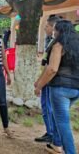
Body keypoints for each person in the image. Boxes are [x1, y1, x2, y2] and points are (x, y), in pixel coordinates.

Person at [35, 20, 79, 154]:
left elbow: (52, 69)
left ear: (59, 31)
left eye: (55, 29)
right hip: (76, 89)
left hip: (60, 89)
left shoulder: (59, 45)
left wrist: (39, 86)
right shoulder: (76, 46)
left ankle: (69, 151)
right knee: (58, 117)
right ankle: (56, 143)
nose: (53, 32)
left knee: (63, 124)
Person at [34, 16, 60, 143]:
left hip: (50, 81)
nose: (45, 28)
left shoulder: (56, 44)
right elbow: (45, 63)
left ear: (54, 27)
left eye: (47, 26)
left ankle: (51, 133)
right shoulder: (51, 41)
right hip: (46, 79)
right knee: (46, 107)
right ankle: (50, 132)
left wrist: (41, 83)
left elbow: (51, 67)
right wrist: (39, 79)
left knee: (48, 107)